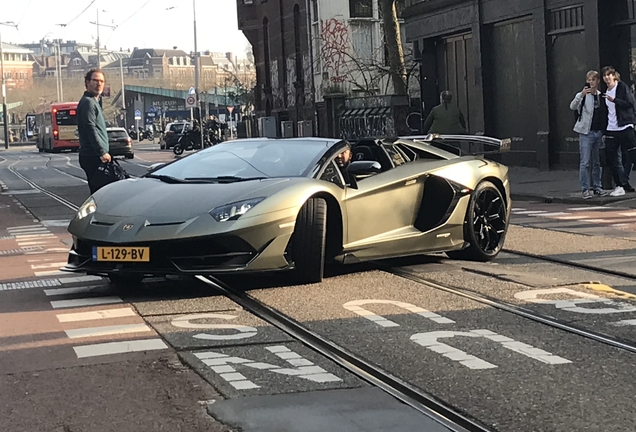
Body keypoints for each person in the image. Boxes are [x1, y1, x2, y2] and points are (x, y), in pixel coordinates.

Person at [569, 70, 608, 199]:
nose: (591, 82)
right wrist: (581, 94)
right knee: (585, 162)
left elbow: (603, 115)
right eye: (589, 80)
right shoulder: (583, 95)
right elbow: (572, 107)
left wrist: (604, 132)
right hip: (586, 132)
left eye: (593, 80)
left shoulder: (601, 96)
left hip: (598, 132)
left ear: (597, 81)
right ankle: (585, 189)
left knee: (597, 162)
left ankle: (597, 187)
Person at [601, 66, 636, 196]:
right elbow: (606, 113)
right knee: (611, 158)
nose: (606, 78)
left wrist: (615, 100)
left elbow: (630, 104)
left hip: (625, 126)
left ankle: (624, 182)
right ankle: (620, 185)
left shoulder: (622, 87)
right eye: (604, 76)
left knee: (633, 155)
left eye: (608, 75)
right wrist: (604, 131)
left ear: (614, 76)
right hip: (611, 129)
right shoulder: (605, 92)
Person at [77, 68, 111, 194]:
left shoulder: (94, 101)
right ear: (87, 82)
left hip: (94, 155)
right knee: (101, 193)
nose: (99, 84)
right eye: (95, 80)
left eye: (102, 81)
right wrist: (101, 152)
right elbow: (90, 128)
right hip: (93, 156)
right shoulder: (88, 103)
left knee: (101, 191)